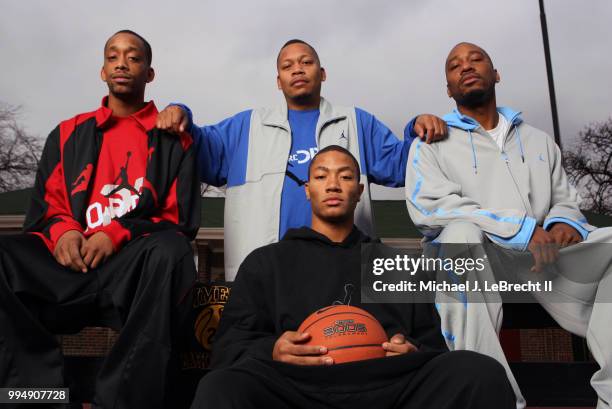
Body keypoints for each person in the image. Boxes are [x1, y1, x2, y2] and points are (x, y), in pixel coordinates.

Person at [189, 145, 516, 409]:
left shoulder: (394, 264)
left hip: (387, 387)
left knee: (479, 372)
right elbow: (228, 348)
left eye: (345, 177)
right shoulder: (266, 262)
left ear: (358, 191)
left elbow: (432, 348)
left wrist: (412, 350)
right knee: (221, 387)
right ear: (307, 190)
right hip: (298, 389)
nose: (333, 184)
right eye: (321, 176)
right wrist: (272, 349)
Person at [405, 42, 612, 409]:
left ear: (495, 73)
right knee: (460, 236)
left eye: (476, 59)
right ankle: (491, 399)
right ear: (449, 88)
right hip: (479, 259)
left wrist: (564, 223)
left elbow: (564, 198)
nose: (466, 67)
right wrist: (521, 229)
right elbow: (431, 208)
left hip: (541, 260)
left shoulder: (538, 141)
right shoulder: (431, 142)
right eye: (455, 66)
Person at [0, 30, 200, 408]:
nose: (122, 63)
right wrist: (64, 232)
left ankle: (121, 399)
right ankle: (37, 395)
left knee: (171, 249)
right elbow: (46, 206)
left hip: (128, 266)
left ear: (149, 73)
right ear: (103, 70)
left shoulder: (174, 139)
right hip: (65, 264)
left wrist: (117, 232)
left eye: (134, 57)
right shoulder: (66, 133)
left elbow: (180, 219)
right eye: (113, 56)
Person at [156, 39, 448, 281]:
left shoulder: (356, 122)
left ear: (322, 73)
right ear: (278, 81)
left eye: (306, 62)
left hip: (343, 270)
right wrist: (180, 113)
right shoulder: (247, 127)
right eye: (287, 66)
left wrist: (417, 129)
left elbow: (401, 166)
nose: (297, 69)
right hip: (267, 276)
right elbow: (199, 147)